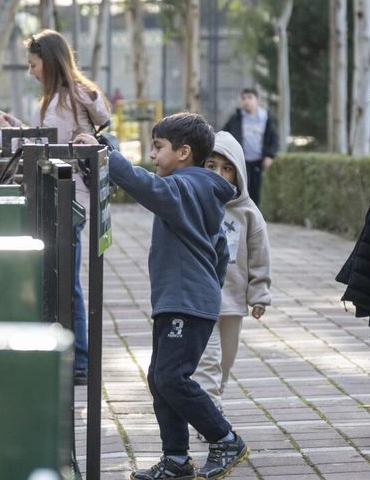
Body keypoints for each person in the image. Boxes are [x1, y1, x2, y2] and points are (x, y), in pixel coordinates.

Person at [75, 113, 249, 480]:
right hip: (183, 300)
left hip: (185, 301)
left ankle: (226, 438)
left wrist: (107, 156)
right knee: (160, 377)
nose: (153, 156)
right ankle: (176, 459)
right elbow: (218, 252)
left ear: (184, 152)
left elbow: (147, 186)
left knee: (171, 378)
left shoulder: (186, 187)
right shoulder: (197, 188)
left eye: (158, 147)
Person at [0, 29, 111, 386]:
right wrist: (12, 128)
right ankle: (76, 358)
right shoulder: (58, 100)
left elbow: (52, 148)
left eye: (33, 64)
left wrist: (13, 134)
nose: (31, 71)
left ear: (50, 62)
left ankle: (81, 361)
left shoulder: (69, 98)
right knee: (62, 280)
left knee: (65, 282)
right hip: (63, 197)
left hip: (68, 198)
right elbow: (47, 142)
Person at [193, 131, 272, 421]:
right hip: (200, 299)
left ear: (238, 174)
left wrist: (259, 293)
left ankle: (216, 397)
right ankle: (210, 411)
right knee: (208, 359)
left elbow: (259, 255)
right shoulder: (194, 203)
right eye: (211, 166)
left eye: (227, 169)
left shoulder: (248, 213)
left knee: (226, 359)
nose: (219, 174)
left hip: (233, 300)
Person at [222, 88, 278, 206]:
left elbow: (273, 138)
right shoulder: (236, 118)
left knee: (255, 192)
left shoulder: (266, 118)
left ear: (257, 100)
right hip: (241, 161)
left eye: (250, 98)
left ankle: (254, 217)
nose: (246, 101)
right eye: (243, 98)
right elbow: (224, 135)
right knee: (241, 190)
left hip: (258, 161)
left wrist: (270, 155)